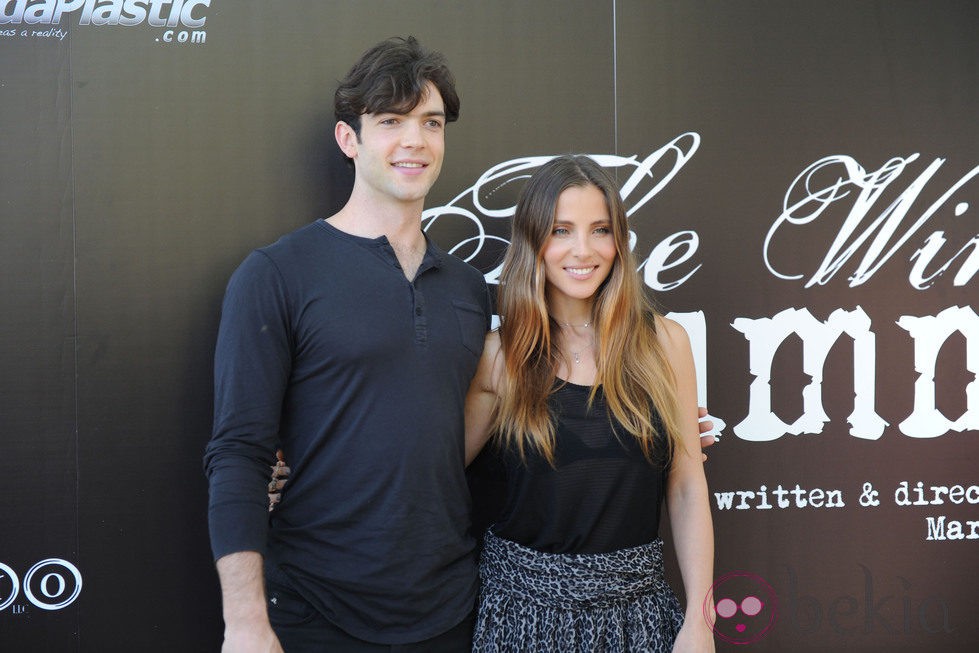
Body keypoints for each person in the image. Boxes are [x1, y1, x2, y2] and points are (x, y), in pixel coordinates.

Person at [203, 37, 492, 651]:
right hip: (314, 611)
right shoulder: (277, 275)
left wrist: (661, 425)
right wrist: (246, 622)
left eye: (431, 123)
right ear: (348, 139)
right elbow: (237, 456)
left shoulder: (469, 288)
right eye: (390, 121)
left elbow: (497, 414)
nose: (414, 140)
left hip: (448, 610)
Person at [463, 155, 716, 652]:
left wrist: (700, 622)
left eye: (600, 230)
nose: (583, 250)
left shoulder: (665, 344)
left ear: (619, 241)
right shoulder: (500, 356)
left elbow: (687, 487)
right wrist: (304, 480)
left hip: (638, 618)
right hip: (520, 619)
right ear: (534, 240)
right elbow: (433, 477)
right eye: (561, 230)